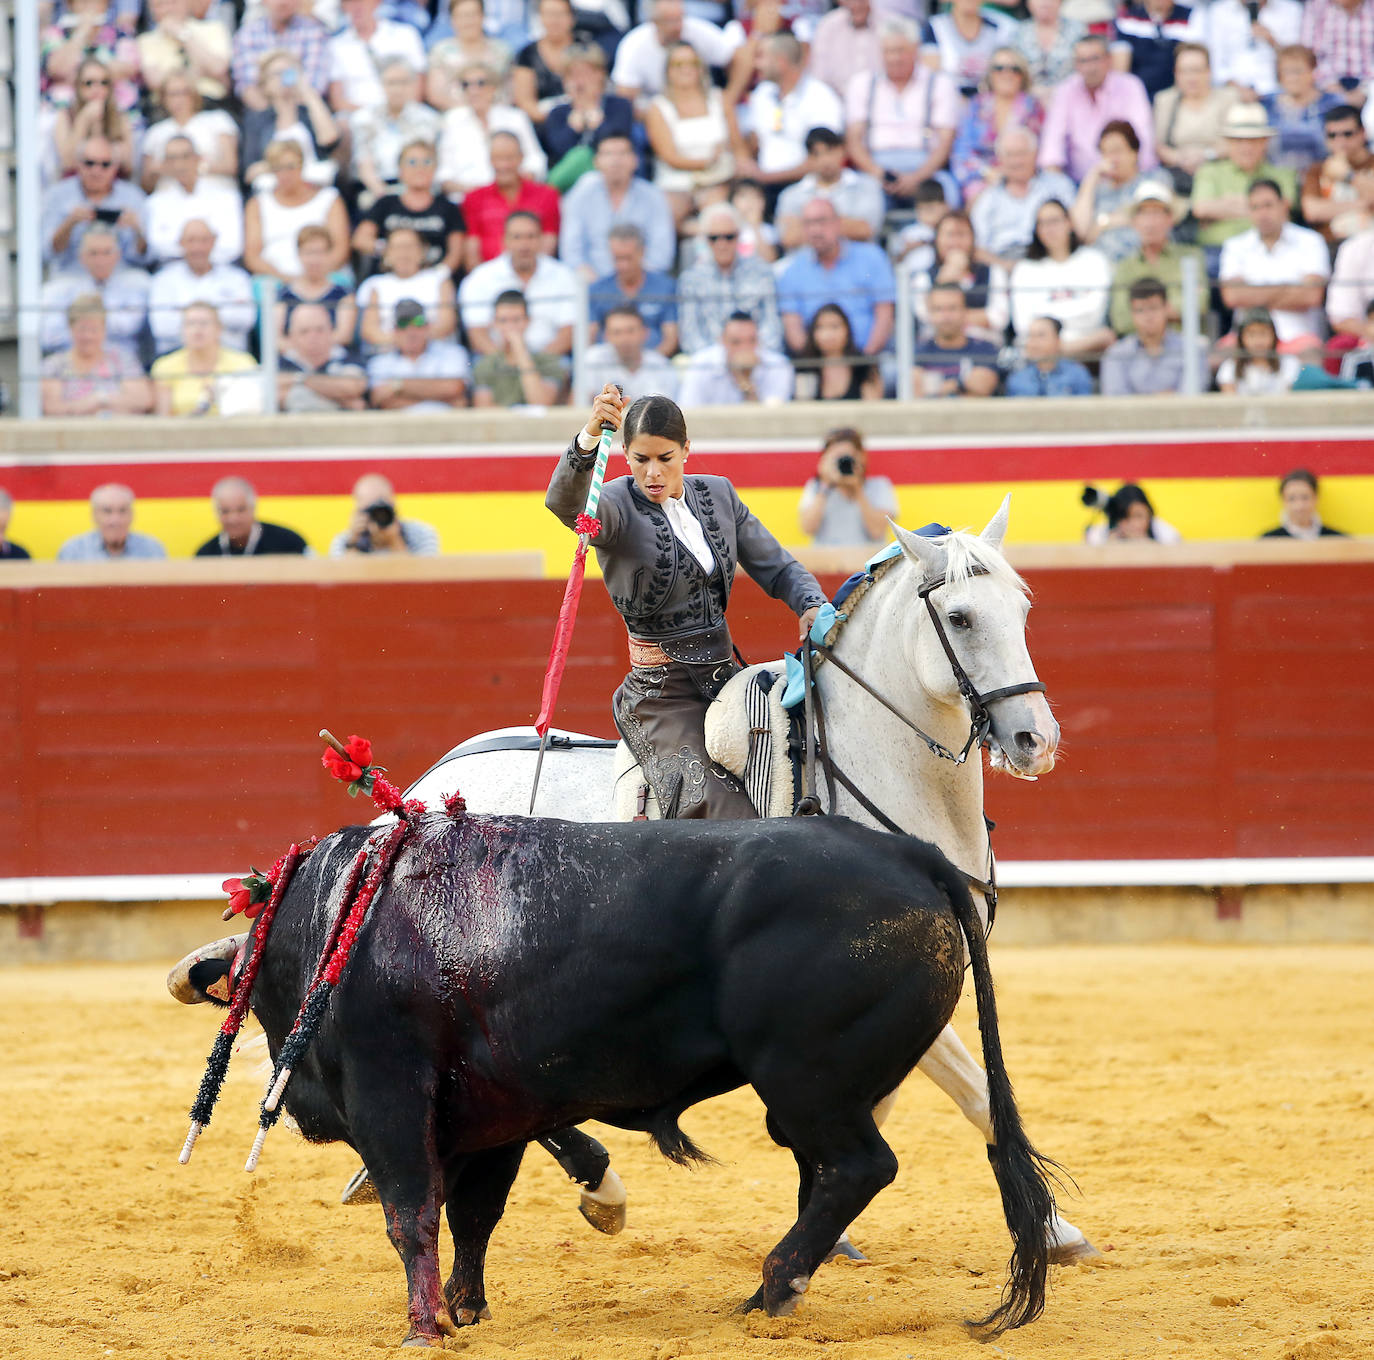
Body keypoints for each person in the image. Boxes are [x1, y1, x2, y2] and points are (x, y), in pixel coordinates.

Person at [545, 385, 826, 818]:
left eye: (665, 458)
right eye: (640, 459)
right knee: (721, 810)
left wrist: (810, 603)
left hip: (726, 679)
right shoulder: (614, 504)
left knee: (805, 766)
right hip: (661, 697)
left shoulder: (718, 494)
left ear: (686, 450)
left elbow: (776, 565)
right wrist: (586, 439)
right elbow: (565, 504)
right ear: (624, 454)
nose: (653, 473)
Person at [845, 18, 960, 210]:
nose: (894, 58)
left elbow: (946, 141)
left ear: (916, 50)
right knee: (857, 201)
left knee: (948, 194)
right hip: (876, 166)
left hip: (925, 164)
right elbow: (854, 140)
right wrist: (878, 173)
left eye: (901, 51)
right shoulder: (862, 83)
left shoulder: (939, 83)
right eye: (889, 51)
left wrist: (917, 177)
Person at [777, 199, 895, 360]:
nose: (815, 230)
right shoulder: (792, 270)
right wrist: (819, 368)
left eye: (822, 221)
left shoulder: (872, 257)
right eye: (808, 223)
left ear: (838, 223)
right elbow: (793, 329)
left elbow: (885, 316)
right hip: (817, 364)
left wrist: (862, 364)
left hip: (869, 360)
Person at [1219, 179, 1330, 350]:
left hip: (1298, 337)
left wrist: (1252, 294)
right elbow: (1232, 296)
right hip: (1245, 339)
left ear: (1284, 205)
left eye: (1268, 205)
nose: (1262, 214)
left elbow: (1311, 295)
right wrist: (1290, 290)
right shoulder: (1235, 245)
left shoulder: (1311, 241)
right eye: (1255, 207)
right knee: (1216, 357)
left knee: (1310, 354)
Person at [459, 211, 579, 356]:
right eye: (517, 237)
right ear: (504, 240)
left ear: (541, 239)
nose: (524, 244)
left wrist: (533, 366)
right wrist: (508, 366)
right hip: (496, 361)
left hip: (549, 361)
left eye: (531, 236)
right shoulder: (480, 278)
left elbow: (569, 331)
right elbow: (477, 334)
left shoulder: (564, 276)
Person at [737, 32, 844, 194]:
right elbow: (753, 140)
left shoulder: (820, 97)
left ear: (780, 61)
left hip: (808, 187)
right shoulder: (762, 93)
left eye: (762, 57)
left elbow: (824, 158)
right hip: (763, 186)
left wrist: (766, 177)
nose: (756, 64)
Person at [1039, 35, 1156, 183]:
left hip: (1126, 179)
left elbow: (1142, 139)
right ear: (1076, 65)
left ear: (1108, 60)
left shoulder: (1130, 86)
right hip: (1077, 183)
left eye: (1095, 59)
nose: (1089, 68)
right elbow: (1052, 145)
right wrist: (1056, 184)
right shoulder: (1064, 91)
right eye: (1083, 61)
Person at [559, 135, 676, 279]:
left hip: (643, 283)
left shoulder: (653, 196)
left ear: (635, 160)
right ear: (596, 161)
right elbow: (572, 252)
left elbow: (661, 252)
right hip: (592, 285)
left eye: (623, 153)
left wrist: (635, 283)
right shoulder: (581, 194)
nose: (616, 160)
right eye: (608, 154)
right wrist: (598, 286)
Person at [1010, 198, 1115, 357]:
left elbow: (1093, 315)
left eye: (1054, 221)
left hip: (1087, 348)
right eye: (1042, 223)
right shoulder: (1024, 269)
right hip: (1037, 352)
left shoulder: (1094, 260)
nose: (1049, 229)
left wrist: (1051, 336)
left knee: (1106, 337)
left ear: (1069, 223)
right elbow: (1023, 324)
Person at [644, 42, 734, 228]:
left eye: (692, 63)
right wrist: (707, 163)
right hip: (677, 182)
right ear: (668, 71)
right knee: (668, 214)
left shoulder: (720, 99)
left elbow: (737, 145)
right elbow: (668, 156)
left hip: (721, 179)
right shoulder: (658, 107)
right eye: (678, 65)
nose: (686, 69)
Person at [1191, 104, 1298, 254]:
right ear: (1228, 143)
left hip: (1272, 249)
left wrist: (1225, 205)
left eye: (1253, 140)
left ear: (1265, 142)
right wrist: (1265, 207)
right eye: (1239, 140)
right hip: (1217, 250)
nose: (1246, 147)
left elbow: (1284, 209)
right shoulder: (1210, 171)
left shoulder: (1283, 174)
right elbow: (1201, 209)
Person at [678, 203, 783, 353]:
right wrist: (721, 360)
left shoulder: (762, 273)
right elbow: (690, 335)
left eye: (729, 237)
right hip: (710, 365)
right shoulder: (691, 279)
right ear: (705, 240)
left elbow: (772, 328)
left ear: (739, 236)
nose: (722, 244)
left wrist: (751, 356)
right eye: (714, 238)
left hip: (756, 359)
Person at [353, 140, 467, 276]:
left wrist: (437, 277)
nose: (420, 168)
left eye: (427, 162)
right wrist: (394, 251)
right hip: (389, 278)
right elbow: (360, 239)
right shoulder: (386, 203)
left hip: (431, 280)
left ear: (436, 168)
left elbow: (456, 253)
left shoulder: (448, 208)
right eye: (412, 162)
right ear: (400, 169)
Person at [243, 140, 350, 282]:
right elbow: (253, 256)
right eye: (277, 168)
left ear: (302, 165)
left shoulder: (329, 199)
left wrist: (312, 279)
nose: (285, 174)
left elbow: (340, 249)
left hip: (323, 278)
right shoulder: (257, 204)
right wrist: (287, 280)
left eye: (290, 167)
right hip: (276, 280)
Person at [1109, 183, 1208, 335]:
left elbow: (1199, 304)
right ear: (1135, 222)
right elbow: (1121, 321)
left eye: (1156, 213)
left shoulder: (1191, 256)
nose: (1150, 222)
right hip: (1138, 349)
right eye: (1144, 214)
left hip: (1184, 344)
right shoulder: (1124, 266)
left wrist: (1143, 313)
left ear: (1170, 219)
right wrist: (1169, 311)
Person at [969, 127, 1076, 266]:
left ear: (1035, 154)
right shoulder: (988, 197)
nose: (1016, 161)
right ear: (999, 159)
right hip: (1003, 267)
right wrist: (1006, 267)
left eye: (1021, 153)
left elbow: (1076, 229)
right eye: (1009, 155)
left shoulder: (1059, 185)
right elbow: (977, 248)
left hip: (1051, 262)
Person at [438, 60, 547, 196]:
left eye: (481, 83)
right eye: (466, 84)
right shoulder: (452, 121)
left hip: (512, 197)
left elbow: (535, 159)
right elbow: (444, 173)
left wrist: (513, 184)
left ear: (493, 87)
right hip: (466, 198)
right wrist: (479, 194)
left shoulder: (515, 118)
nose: (473, 91)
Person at [149, 220, 255, 358]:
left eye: (204, 240)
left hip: (230, 356)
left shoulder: (237, 278)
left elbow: (246, 319)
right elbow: (161, 327)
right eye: (191, 240)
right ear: (180, 243)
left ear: (213, 242)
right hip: (176, 358)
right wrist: (215, 317)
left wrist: (188, 318)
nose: (198, 247)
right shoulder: (163, 280)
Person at [950, 47, 1043, 204]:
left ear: (1023, 75)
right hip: (982, 177)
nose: (1006, 74)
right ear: (990, 74)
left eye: (1014, 69)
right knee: (978, 197)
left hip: (1023, 175)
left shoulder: (1033, 107)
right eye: (999, 68)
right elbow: (962, 151)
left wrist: (1011, 173)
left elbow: (1041, 149)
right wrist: (988, 173)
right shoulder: (977, 105)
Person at [40, 226, 149, 359]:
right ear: (81, 257)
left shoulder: (135, 285)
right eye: (93, 253)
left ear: (118, 255)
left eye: (107, 252)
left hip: (123, 365)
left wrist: (79, 326)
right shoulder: (61, 290)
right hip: (74, 365)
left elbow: (130, 327)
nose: (100, 260)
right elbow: (50, 337)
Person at [1070, 120, 1170, 265]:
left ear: (1134, 152)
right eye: (1105, 152)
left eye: (1117, 151)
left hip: (1143, 263)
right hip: (1101, 267)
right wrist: (1092, 176)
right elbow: (1079, 231)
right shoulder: (1098, 190)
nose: (1111, 159)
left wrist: (1102, 223)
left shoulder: (1154, 179)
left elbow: (1154, 219)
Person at [610, 0, 744, 107]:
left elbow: (738, 56)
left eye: (680, 19)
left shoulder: (697, 30)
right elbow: (624, 97)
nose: (677, 26)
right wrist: (657, 119)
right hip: (652, 113)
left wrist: (730, 99)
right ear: (654, 21)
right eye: (670, 21)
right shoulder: (634, 44)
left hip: (701, 106)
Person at [42, 135, 147, 271]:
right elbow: (46, 252)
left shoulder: (133, 196)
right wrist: (69, 223)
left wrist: (137, 230)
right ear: (78, 163)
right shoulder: (57, 195)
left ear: (115, 167)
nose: (96, 171)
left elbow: (144, 258)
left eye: (105, 164)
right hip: (71, 276)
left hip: (121, 278)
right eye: (89, 163)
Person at [240, 49, 341, 189]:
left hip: (314, 187)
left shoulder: (308, 113)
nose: (283, 78)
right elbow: (250, 171)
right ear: (265, 84)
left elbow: (330, 139)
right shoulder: (258, 121)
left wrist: (307, 91)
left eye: (288, 72)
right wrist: (285, 165)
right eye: (276, 74)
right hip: (275, 191)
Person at [40, 296, 154, 418]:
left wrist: (101, 399)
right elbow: (52, 408)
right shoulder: (54, 365)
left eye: (94, 330)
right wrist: (93, 403)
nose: (88, 336)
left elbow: (143, 400)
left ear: (104, 330)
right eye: (82, 330)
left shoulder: (122, 360)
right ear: (70, 329)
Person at [348, 59, 443, 205]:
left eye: (403, 82)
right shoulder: (364, 119)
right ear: (381, 84)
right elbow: (364, 164)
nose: (397, 89)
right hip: (378, 188)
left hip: (419, 187)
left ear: (413, 84)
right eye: (391, 83)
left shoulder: (429, 119)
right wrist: (384, 197)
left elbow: (428, 162)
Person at [775, 127, 884, 253]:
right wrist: (845, 224)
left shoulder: (867, 186)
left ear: (842, 151)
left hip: (855, 264)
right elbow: (789, 238)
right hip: (807, 265)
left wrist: (805, 225)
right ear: (808, 159)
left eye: (829, 151)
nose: (825, 160)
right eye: (816, 154)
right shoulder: (791, 195)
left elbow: (866, 230)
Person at [462, 131, 562, 267]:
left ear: (521, 158)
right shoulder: (474, 198)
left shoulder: (547, 195)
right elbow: (472, 250)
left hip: (535, 276)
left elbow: (549, 242)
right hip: (489, 279)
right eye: (498, 158)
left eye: (509, 158)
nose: (503, 165)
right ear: (490, 160)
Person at [912, 209, 1010, 343]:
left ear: (973, 239)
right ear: (937, 240)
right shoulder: (923, 277)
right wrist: (945, 277)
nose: (955, 243)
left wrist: (948, 318)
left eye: (962, 235)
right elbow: (925, 316)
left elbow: (998, 318)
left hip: (984, 348)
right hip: (938, 351)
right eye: (949, 235)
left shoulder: (993, 272)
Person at [540, 42, 638, 175]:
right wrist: (573, 128)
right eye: (573, 75)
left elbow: (618, 143)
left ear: (600, 75)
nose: (580, 81)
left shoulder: (619, 106)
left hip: (610, 174)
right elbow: (558, 151)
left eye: (586, 73)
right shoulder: (557, 113)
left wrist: (596, 122)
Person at [145, 135, 244, 266]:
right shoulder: (155, 202)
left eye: (185, 156)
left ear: (199, 158)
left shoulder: (227, 197)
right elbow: (158, 245)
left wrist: (195, 256)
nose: (179, 165)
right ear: (164, 164)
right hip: (172, 270)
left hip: (222, 269)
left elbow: (232, 245)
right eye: (172, 159)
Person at [1100, 277, 1209, 395]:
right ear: (1131, 313)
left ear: (1167, 308)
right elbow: (1116, 403)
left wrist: (1140, 400)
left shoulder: (1193, 351)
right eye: (1140, 310)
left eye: (1153, 308)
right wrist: (1167, 397)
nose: (1148, 317)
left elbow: (1191, 400)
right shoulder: (1116, 355)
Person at [1153, 43, 1238, 193]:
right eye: (1184, 71)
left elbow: (1236, 142)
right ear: (1176, 73)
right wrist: (1180, 158)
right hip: (1177, 173)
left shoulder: (1228, 98)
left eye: (1197, 70)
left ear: (1209, 71)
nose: (1191, 78)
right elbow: (1158, 145)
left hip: (1219, 170)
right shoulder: (1165, 100)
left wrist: (1206, 155)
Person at [152, 302, 261, 417]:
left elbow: (249, 411)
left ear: (219, 329)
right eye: (190, 324)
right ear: (182, 330)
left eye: (204, 323)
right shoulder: (165, 365)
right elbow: (164, 418)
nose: (197, 330)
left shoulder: (243, 363)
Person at [358, 227, 458, 349]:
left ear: (422, 251)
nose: (403, 253)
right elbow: (369, 331)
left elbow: (446, 325)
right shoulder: (374, 285)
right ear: (386, 253)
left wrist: (415, 342)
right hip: (388, 352)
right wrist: (405, 342)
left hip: (435, 350)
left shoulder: (440, 280)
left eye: (409, 247)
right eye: (397, 247)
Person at [140, 71, 239, 193]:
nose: (179, 99)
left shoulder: (218, 120)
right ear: (163, 98)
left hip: (214, 193)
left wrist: (188, 167)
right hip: (169, 198)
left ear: (194, 94)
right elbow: (146, 183)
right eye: (173, 94)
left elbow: (230, 166)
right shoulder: (155, 132)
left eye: (184, 92)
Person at [589, 225, 680, 356]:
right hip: (607, 366)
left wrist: (646, 367)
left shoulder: (665, 287)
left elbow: (671, 339)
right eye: (617, 259)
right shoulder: (597, 290)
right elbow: (589, 337)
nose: (623, 265)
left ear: (642, 252)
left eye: (628, 258)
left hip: (654, 365)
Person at [367, 300, 473, 412]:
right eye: (403, 324)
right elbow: (382, 400)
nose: (411, 331)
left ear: (428, 327)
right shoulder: (380, 361)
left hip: (446, 425)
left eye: (418, 322)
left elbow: (455, 388)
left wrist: (398, 385)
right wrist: (439, 397)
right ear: (394, 330)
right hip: (400, 426)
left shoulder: (453, 353)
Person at [798, 427, 897, 546]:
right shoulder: (816, 488)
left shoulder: (879, 486)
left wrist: (857, 489)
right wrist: (825, 484)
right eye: (837, 457)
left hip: (867, 561)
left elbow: (877, 531)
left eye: (847, 457)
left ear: (861, 457)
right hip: (828, 563)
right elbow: (808, 529)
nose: (843, 463)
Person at [327, 0, 427, 114]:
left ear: (377, 2)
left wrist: (395, 113)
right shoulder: (336, 45)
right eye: (349, 2)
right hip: (357, 117)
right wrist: (375, 115)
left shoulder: (406, 35)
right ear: (343, 7)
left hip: (404, 113)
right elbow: (338, 101)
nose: (356, 7)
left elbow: (419, 86)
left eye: (362, 2)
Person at [469, 290, 565, 406]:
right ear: (494, 323)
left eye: (516, 320)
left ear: (527, 321)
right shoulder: (485, 365)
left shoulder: (549, 361)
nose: (510, 327)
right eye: (503, 321)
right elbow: (484, 411)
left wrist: (520, 350)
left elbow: (541, 403)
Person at [232, 0, 330, 111]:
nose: (283, 2)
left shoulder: (315, 32)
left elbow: (314, 87)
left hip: (304, 112)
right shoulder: (247, 34)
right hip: (262, 114)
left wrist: (288, 115)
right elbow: (247, 88)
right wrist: (274, 118)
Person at [679, 312, 795, 405]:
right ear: (722, 341)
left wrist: (745, 381)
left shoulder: (779, 365)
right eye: (736, 342)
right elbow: (689, 411)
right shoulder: (700, 364)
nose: (745, 348)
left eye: (752, 341)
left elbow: (774, 419)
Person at [1194, 0, 1302, 100]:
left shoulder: (1291, 10)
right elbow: (1215, 63)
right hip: (1231, 93)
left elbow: (1298, 63)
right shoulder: (1219, 12)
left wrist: (1272, 41)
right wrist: (1238, 89)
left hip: (1277, 91)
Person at [51, 56, 137, 180]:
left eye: (104, 83)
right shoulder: (65, 116)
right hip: (76, 186)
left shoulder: (119, 116)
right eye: (89, 83)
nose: (97, 88)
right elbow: (67, 163)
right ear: (78, 86)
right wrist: (84, 120)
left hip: (113, 187)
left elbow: (128, 164)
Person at [276, 225, 360, 349]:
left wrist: (312, 348)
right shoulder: (283, 295)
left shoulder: (344, 294)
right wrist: (304, 351)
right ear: (299, 254)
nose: (314, 259)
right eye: (309, 252)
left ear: (329, 254)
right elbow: (275, 339)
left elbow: (344, 336)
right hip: (292, 361)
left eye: (320, 252)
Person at [137, 0, 232, 109]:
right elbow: (155, 82)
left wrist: (182, 35)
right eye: (159, 5)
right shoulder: (146, 40)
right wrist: (199, 72)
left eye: (173, 2)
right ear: (152, 11)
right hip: (166, 110)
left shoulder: (213, 28)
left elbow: (218, 68)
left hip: (210, 104)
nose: (168, 9)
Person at [912, 283, 1002, 398]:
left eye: (952, 308)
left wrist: (940, 388)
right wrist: (963, 384)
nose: (945, 316)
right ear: (929, 314)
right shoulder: (919, 350)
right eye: (938, 309)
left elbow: (983, 386)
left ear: (965, 311)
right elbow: (915, 391)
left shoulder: (985, 348)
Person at [1301, 105, 1374, 245]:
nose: (1340, 141)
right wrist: (1364, 203)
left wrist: (1349, 176)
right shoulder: (1317, 170)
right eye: (1332, 135)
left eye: (1347, 134)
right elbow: (1312, 211)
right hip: (1333, 245)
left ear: (1363, 133)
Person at [279, 303, 370, 413]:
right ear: (291, 335)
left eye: (319, 330)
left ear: (331, 330)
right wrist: (342, 402)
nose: (313, 337)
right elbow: (274, 395)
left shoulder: (348, 357)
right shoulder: (280, 362)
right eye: (304, 331)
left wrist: (300, 380)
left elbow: (354, 388)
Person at [427, 0, 514, 111]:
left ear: (483, 16)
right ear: (452, 20)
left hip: (497, 112)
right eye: (461, 16)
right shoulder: (440, 51)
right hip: (455, 115)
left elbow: (511, 91)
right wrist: (471, 113)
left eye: (473, 14)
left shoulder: (502, 50)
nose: (468, 21)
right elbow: (436, 95)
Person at [921, 0, 1018, 99]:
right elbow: (931, 77)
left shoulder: (1001, 28)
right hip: (947, 101)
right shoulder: (935, 27)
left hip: (988, 102)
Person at [583, 304, 679, 402]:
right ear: (606, 336)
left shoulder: (662, 366)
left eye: (630, 331)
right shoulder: (593, 359)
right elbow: (578, 405)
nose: (624, 339)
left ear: (645, 333)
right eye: (617, 332)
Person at [330, 473, 441, 556]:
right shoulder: (343, 540)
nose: (378, 516)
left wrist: (394, 540)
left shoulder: (421, 533)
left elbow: (423, 579)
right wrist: (354, 542)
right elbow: (344, 581)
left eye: (383, 509)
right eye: (370, 510)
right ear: (358, 512)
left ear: (393, 505)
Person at [195, 476, 310, 556]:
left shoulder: (289, 543)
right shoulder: (206, 553)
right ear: (216, 513)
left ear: (253, 508)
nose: (233, 518)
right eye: (225, 511)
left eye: (241, 510)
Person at [1110, 0, 1197, 102]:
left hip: (1177, 93)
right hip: (1139, 94)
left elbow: (1192, 59)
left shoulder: (1191, 16)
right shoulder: (1127, 19)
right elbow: (1121, 70)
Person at [793, 303, 883, 401]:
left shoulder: (864, 365)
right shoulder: (805, 366)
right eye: (820, 327)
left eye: (834, 327)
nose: (827, 334)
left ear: (847, 330)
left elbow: (872, 408)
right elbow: (803, 408)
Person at [57, 484, 168, 561]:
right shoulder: (73, 551)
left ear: (132, 515)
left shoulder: (152, 549)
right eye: (107, 511)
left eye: (122, 511)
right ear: (94, 516)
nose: (115, 520)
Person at [511, 0, 580, 125]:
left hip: (583, 118)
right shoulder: (527, 54)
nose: (554, 20)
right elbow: (524, 101)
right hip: (542, 123)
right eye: (549, 14)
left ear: (571, 17)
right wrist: (556, 121)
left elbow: (595, 89)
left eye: (560, 14)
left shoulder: (584, 49)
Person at [1300, 0, 1374, 102]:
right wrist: (1333, 87)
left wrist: (1365, 88)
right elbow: (1308, 53)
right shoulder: (1316, 5)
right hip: (1326, 85)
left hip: (1369, 85)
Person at [1014, 0, 1087, 101]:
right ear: (1028, 3)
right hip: (1028, 101)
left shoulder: (1078, 30)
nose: (1045, 3)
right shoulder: (1017, 32)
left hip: (1071, 99)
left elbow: (1086, 67)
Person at [1216, 307, 1302, 392]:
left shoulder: (1289, 364)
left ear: (1274, 336)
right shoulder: (1230, 367)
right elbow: (1230, 401)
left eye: (1263, 333)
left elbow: (1289, 399)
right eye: (1252, 334)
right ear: (1241, 338)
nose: (1258, 341)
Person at [809, 0, 883, 98]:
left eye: (861, 1)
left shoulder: (886, 24)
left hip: (879, 103)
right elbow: (819, 77)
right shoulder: (828, 26)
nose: (856, 4)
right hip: (836, 103)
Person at [1006, 315, 1096, 395]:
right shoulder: (1017, 379)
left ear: (1057, 340)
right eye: (1030, 336)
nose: (1034, 343)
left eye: (1040, 336)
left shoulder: (1077, 375)